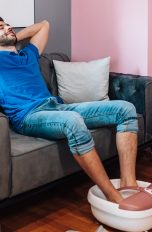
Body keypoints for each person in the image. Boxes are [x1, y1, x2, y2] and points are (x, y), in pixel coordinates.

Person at [0, 17, 138, 204]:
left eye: (8, 25)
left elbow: (44, 25)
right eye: (2, 27)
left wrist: (12, 38)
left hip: (56, 106)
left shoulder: (28, 54)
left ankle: (128, 184)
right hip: (29, 116)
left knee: (125, 109)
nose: (9, 28)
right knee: (72, 121)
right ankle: (113, 196)